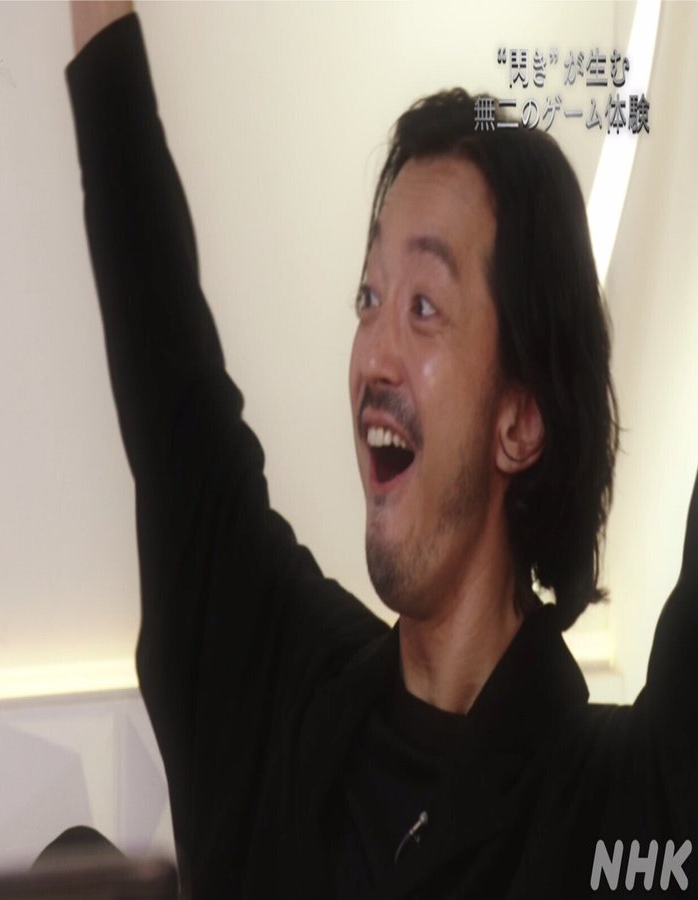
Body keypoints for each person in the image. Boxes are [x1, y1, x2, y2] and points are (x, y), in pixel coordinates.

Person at [65, 3, 697, 897]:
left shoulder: (625, 819)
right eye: (368, 297)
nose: (373, 354)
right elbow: (168, 379)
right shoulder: (271, 699)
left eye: (423, 306)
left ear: (521, 423)